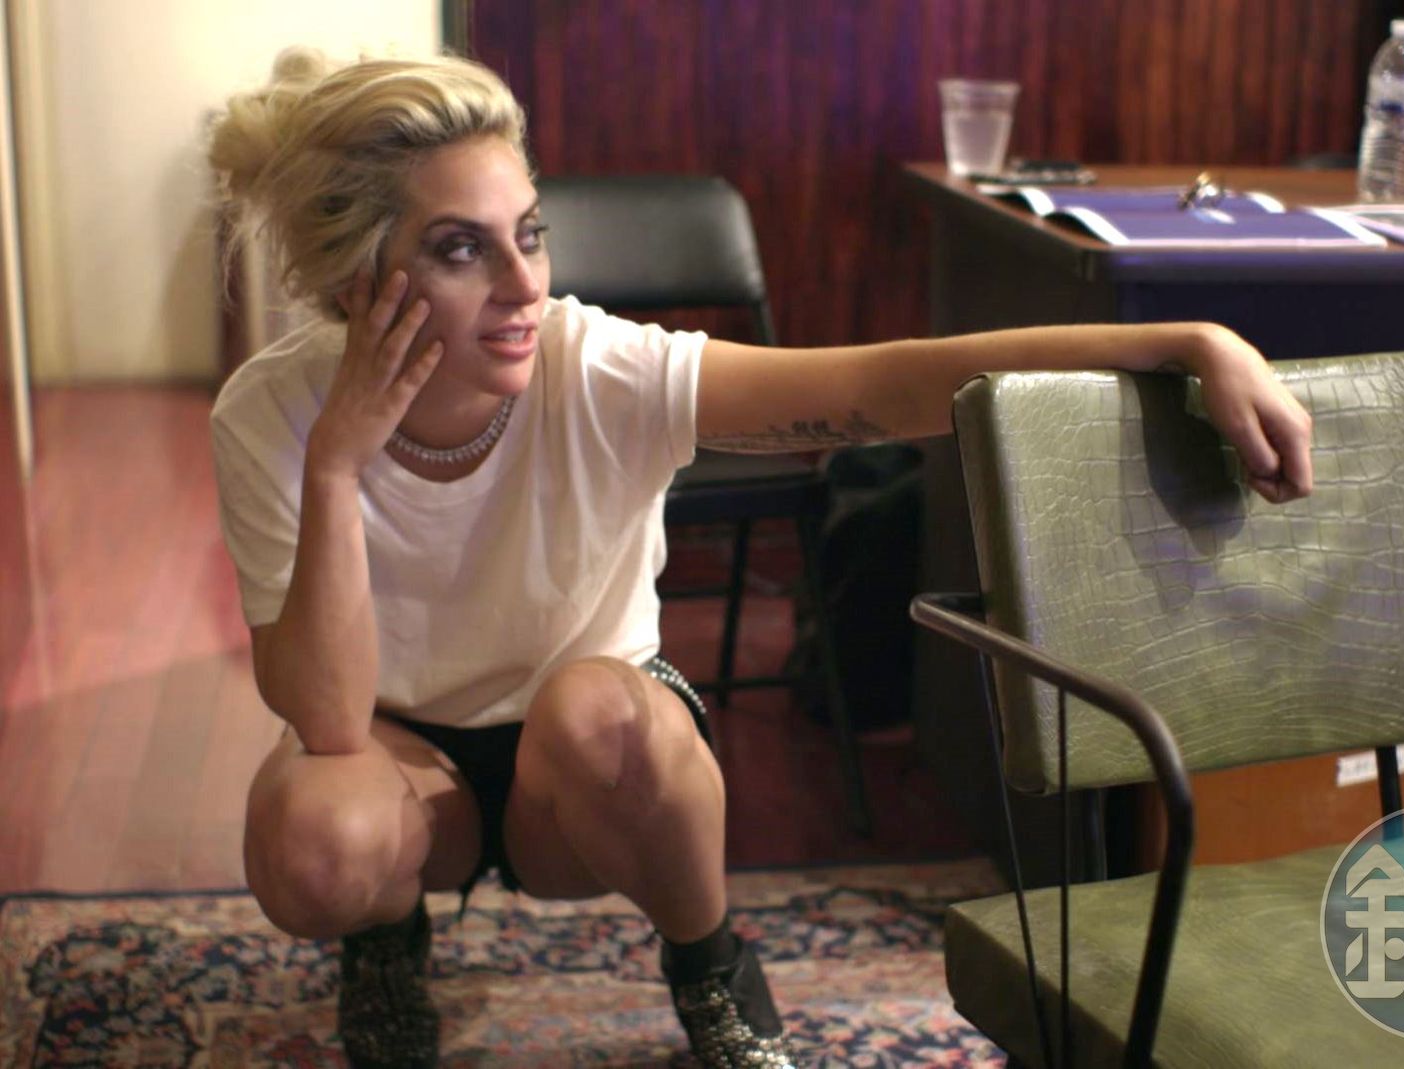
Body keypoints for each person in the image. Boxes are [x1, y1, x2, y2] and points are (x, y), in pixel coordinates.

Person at [206, 48, 1313, 1069]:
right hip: (402, 757)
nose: (522, 282)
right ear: (357, 281)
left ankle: (708, 962)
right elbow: (330, 724)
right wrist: (337, 467)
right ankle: (385, 939)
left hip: (588, 758)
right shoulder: (271, 413)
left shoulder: (596, 367)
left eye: (529, 234)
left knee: (600, 712)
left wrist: (1185, 342)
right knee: (315, 839)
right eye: (462, 248)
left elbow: (879, 384)